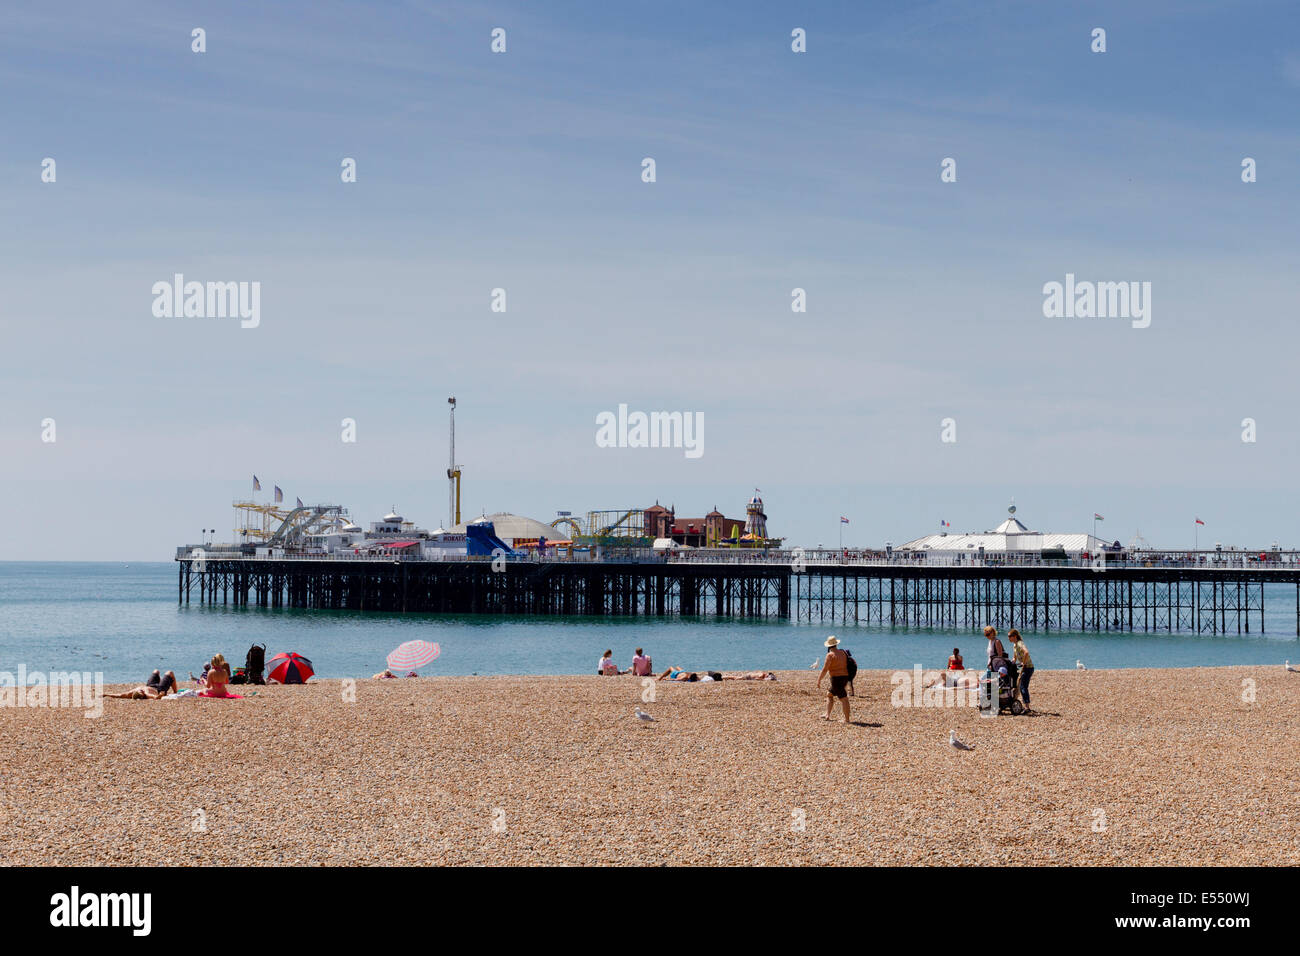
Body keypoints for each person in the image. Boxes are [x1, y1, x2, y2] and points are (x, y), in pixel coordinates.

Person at [816, 636, 851, 723]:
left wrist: (819, 680)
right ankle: (827, 714)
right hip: (845, 677)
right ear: (836, 644)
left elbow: (825, 669)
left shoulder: (830, 655)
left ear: (828, 646)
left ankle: (847, 720)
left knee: (844, 699)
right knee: (829, 694)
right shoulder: (842, 652)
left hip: (836, 679)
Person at [1009, 629, 1034, 707]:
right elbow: (1014, 658)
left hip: (1028, 667)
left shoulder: (1020, 643)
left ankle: (1027, 707)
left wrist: (1023, 662)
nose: (1008, 638)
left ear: (1015, 636)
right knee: (1018, 686)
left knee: (1023, 686)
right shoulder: (1015, 645)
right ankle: (1015, 702)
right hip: (1023, 668)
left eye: (1010, 636)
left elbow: (1026, 652)